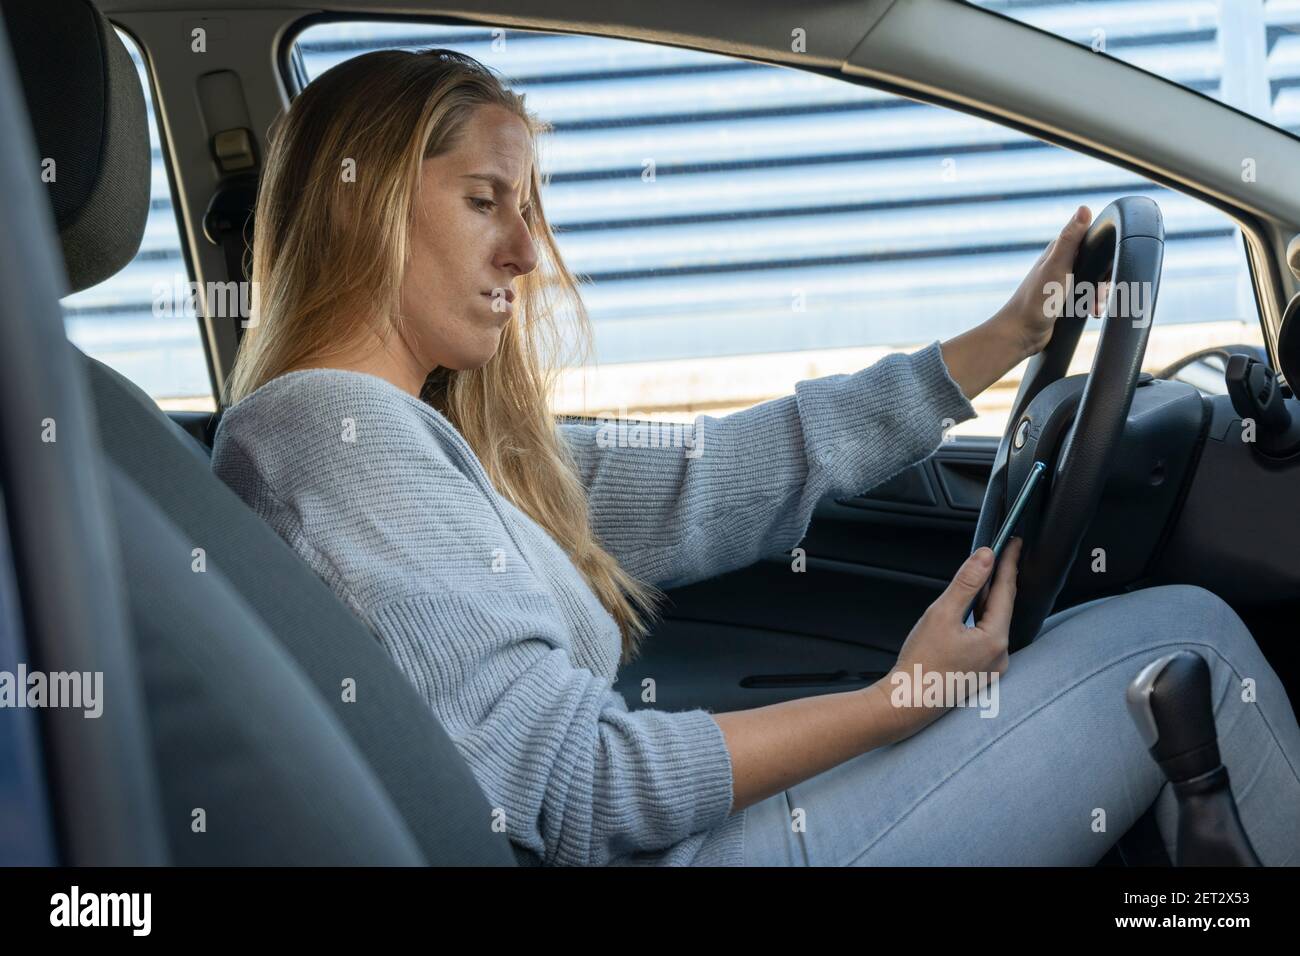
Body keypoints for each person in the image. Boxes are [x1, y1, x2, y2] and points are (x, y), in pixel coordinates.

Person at [211, 48, 1300, 866]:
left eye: (531, 208)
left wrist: (990, 346)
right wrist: (898, 698)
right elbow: (578, 785)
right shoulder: (334, 437)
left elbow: (707, 477)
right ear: (362, 206)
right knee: (1184, 639)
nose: (527, 252)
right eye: (485, 202)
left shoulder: (428, 432)